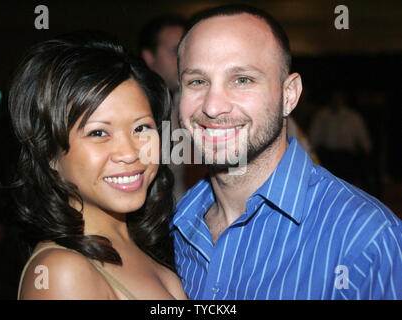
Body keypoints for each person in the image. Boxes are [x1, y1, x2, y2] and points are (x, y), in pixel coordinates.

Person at [171, 4, 402, 300]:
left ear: (289, 95)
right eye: (197, 82)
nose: (213, 106)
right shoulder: (176, 223)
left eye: (242, 79)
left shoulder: (367, 239)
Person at [9, 32, 186, 300]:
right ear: (49, 154)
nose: (129, 153)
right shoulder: (62, 272)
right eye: (99, 133)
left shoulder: (145, 249)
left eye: (141, 127)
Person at [140, 15, 207, 201]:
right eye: (174, 51)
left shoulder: (198, 103)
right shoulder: (133, 108)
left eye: (187, 51)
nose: (182, 59)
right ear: (149, 57)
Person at [309, 89, 372, 184]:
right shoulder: (322, 115)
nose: (336, 99)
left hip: (347, 157)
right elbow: (314, 136)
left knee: (347, 185)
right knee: (329, 184)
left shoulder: (352, 116)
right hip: (328, 156)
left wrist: (366, 148)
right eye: (334, 96)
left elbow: (361, 134)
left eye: (339, 97)